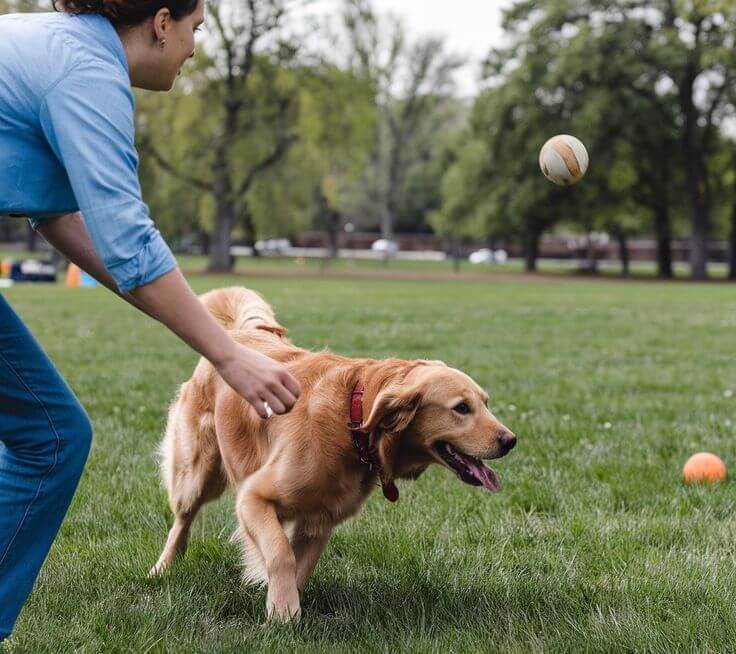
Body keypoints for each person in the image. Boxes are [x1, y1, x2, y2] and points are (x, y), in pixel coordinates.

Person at [0, 0, 301, 640]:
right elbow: (131, 243)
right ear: (161, 22)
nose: (194, 47)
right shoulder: (87, 71)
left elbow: (62, 221)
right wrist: (229, 355)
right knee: (50, 439)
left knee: (49, 435)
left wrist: (189, 321)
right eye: (194, 29)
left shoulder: (51, 44)